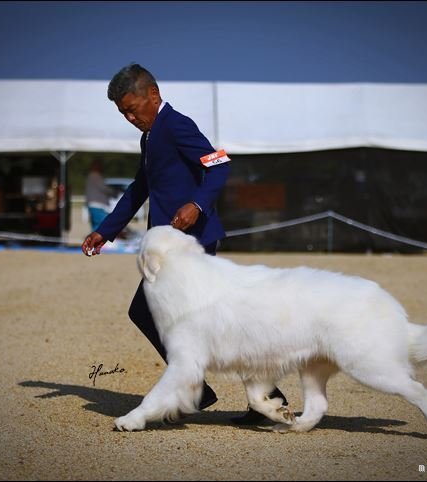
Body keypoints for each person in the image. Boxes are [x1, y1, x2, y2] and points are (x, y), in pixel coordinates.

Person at [81, 63, 286, 426]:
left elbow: (219, 165)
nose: (129, 117)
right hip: (171, 250)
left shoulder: (175, 124)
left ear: (153, 96)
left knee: (154, 313)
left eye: (132, 108)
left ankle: (212, 390)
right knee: (205, 321)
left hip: (194, 244)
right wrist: (106, 230)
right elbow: (139, 189)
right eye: (122, 112)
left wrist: (196, 204)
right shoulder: (149, 136)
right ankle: (238, 394)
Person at [85, 159, 114, 231]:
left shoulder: (91, 176)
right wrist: (114, 192)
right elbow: (104, 188)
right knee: (103, 228)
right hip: (97, 205)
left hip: (93, 205)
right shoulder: (95, 176)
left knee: (95, 227)